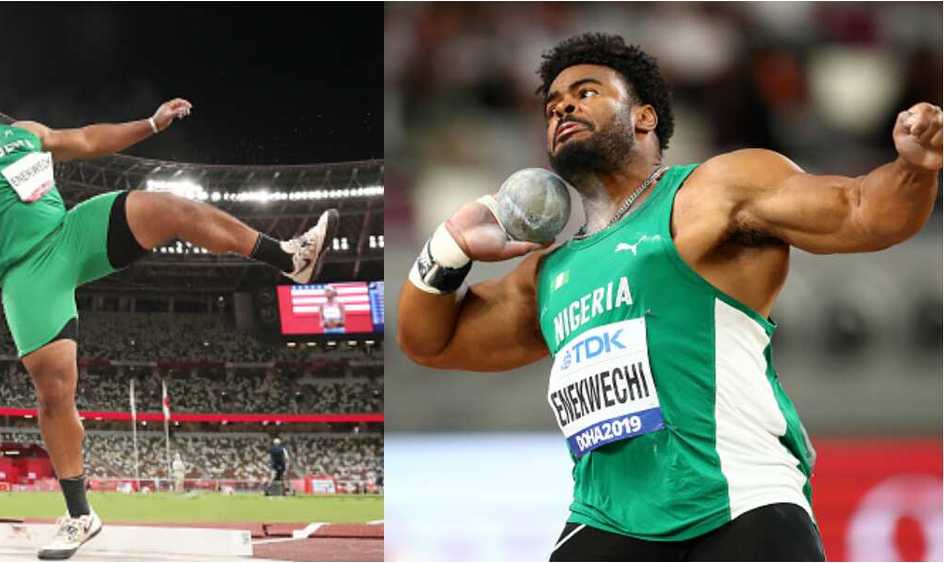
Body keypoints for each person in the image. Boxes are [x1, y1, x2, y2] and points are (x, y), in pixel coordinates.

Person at [397, 33, 941, 561]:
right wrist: (449, 248)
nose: (562, 108)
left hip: (738, 504)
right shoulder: (547, 273)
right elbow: (432, 342)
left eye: (585, 92)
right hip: (608, 521)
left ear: (644, 116)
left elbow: (862, 212)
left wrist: (913, 168)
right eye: (552, 106)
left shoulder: (713, 192)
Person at [0, 60, 339, 560]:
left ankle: (289, 257)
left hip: (71, 233)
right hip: (26, 271)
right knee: (56, 390)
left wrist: (150, 124)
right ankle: (80, 514)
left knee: (171, 207)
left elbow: (87, 139)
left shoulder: (23, 133)